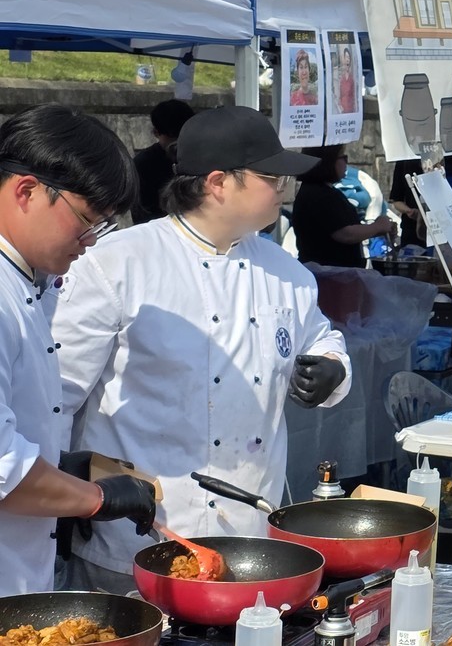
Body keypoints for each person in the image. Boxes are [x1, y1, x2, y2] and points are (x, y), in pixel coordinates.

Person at [55, 106, 352, 593]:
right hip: (137, 529)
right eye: (272, 177)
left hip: (247, 536)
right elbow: (58, 392)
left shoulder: (288, 273)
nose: (284, 189)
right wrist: (66, 493)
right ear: (218, 183)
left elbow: (324, 338)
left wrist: (334, 369)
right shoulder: (118, 264)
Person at [0, 105, 156, 594]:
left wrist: (55, 461)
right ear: (27, 191)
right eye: (87, 221)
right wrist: (94, 498)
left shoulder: (31, 279)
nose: (89, 243)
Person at [291, 145, 393, 269]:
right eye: (343, 157)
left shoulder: (323, 191)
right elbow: (345, 234)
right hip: (329, 275)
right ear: (328, 160)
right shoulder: (318, 195)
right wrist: (378, 227)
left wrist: (377, 229)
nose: (346, 162)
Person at [131, 99, 194, 224]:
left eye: (181, 135)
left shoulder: (203, 156)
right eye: (173, 136)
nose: (178, 143)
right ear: (156, 133)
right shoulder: (143, 164)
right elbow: (143, 212)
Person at [334, 45, 357, 115]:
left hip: (351, 109)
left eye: (349, 58)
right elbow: (336, 95)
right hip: (340, 110)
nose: (348, 59)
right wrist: (340, 109)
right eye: (346, 57)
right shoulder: (338, 74)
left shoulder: (351, 77)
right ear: (343, 58)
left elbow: (354, 94)